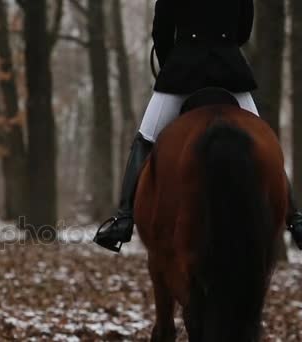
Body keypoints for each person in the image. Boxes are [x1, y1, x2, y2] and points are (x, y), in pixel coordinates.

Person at [94, 0, 302, 252]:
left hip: (182, 71)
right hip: (230, 73)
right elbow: (243, 33)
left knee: (146, 139)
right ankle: (295, 219)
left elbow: (161, 33)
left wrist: (172, 65)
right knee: (265, 143)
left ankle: (123, 220)